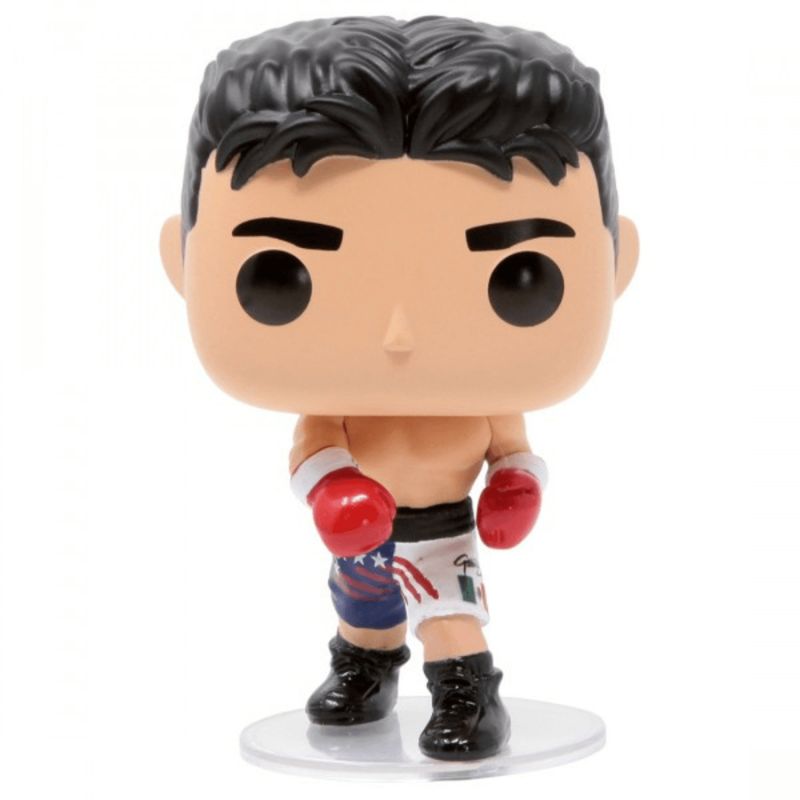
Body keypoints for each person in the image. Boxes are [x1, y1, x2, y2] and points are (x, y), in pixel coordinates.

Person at [160, 15, 638, 761]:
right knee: (365, 607)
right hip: (358, 529)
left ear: (616, 266)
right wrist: (333, 491)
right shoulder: (335, 409)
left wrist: (516, 484)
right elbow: (313, 447)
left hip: (443, 525)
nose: (399, 335)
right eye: (279, 275)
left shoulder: (488, 403)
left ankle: (466, 691)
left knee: (449, 612)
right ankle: (364, 668)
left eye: (522, 279)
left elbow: (512, 448)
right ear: (182, 263)